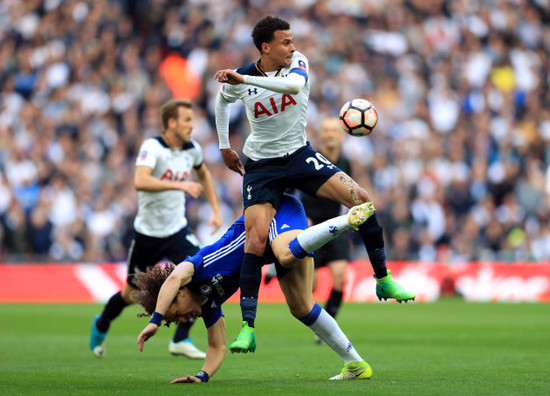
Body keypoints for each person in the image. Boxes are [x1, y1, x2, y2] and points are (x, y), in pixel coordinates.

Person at [213, 15, 415, 353]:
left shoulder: (297, 63)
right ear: (266, 47)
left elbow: (292, 87)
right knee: (256, 238)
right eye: (285, 42)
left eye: (292, 41)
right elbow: (222, 101)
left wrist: (246, 79)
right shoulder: (242, 76)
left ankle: (383, 279)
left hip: (298, 155)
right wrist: (223, 145)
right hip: (261, 166)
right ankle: (247, 327)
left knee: (361, 199)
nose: (292, 47)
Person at [136, 194, 375, 383]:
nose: (184, 318)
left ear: (179, 293)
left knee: (285, 254)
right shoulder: (208, 305)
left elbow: (175, 276)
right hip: (272, 247)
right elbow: (217, 347)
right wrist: (202, 376)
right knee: (301, 307)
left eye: (176, 313)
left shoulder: (197, 266)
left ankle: (347, 220)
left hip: (276, 213)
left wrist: (156, 320)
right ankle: (355, 365)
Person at [89, 99, 222, 359]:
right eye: (187, 120)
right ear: (171, 122)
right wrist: (180, 186)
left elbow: (204, 173)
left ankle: (180, 339)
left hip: (177, 231)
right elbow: (140, 180)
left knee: (203, 275)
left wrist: (216, 209)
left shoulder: (192, 149)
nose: (192, 126)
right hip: (147, 236)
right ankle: (102, 323)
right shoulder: (152, 147)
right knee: (131, 294)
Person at [300, 116, 353, 343]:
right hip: (313, 225)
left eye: (334, 131)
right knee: (312, 285)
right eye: (326, 131)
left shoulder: (346, 161)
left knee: (340, 278)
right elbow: (294, 189)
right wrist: (302, 218)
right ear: (320, 135)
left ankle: (328, 328)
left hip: (336, 225)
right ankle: (276, 268)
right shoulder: (310, 158)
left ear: (341, 136)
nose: (330, 134)